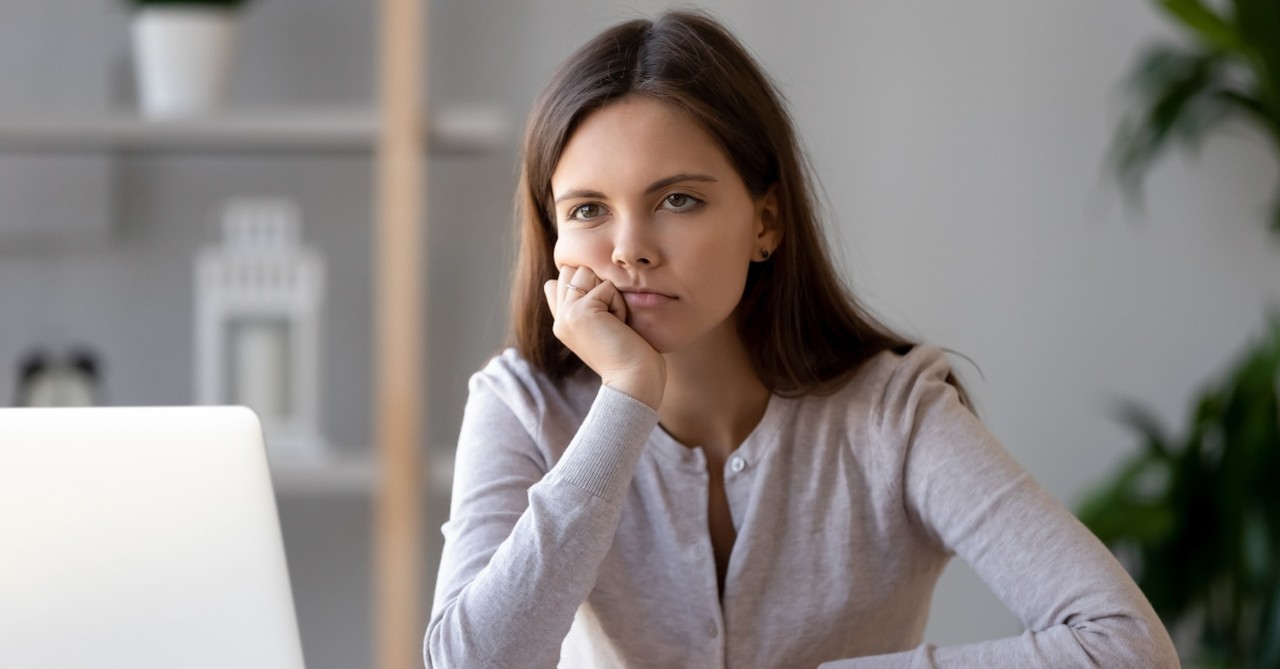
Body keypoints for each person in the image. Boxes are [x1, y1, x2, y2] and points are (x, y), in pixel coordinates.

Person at [425, 9, 1179, 668]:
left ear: (766, 221)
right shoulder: (521, 404)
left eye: (677, 199)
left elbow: (1126, 645)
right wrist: (625, 398)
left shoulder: (894, 414)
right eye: (588, 210)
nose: (629, 249)